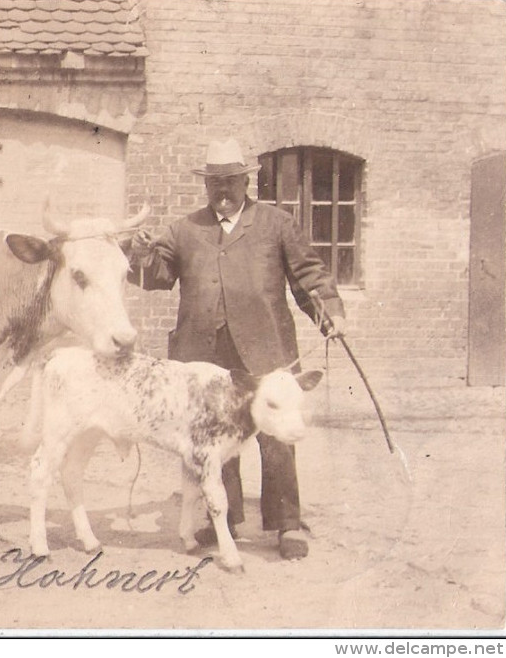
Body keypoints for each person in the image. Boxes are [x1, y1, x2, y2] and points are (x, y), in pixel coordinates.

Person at [127, 139, 346, 560]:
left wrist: (330, 312)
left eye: (230, 181)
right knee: (214, 438)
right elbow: (156, 275)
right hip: (204, 353)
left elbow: (308, 274)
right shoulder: (185, 229)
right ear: (206, 186)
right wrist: (138, 253)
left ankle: (287, 524)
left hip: (264, 345)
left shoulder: (276, 224)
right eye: (214, 183)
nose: (222, 191)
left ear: (247, 181)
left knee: (276, 432)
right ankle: (223, 520)